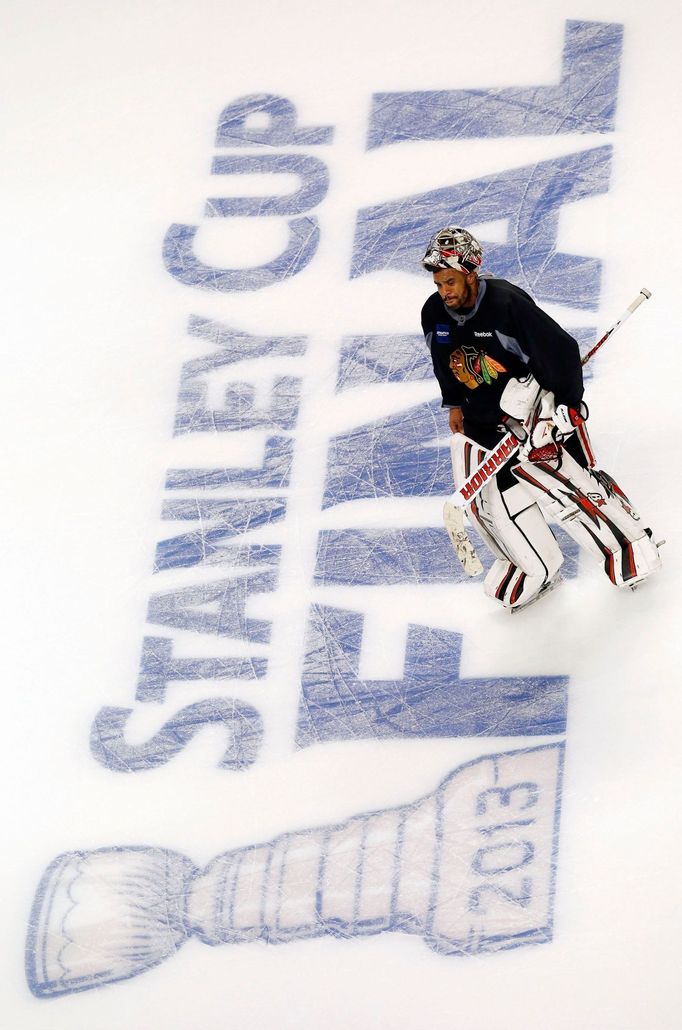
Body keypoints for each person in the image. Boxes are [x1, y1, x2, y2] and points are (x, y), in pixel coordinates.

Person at [420, 225, 662, 611]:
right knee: (489, 503)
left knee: (562, 487)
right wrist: (453, 404)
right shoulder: (434, 313)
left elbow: (562, 352)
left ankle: (628, 544)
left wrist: (567, 404)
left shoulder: (507, 305)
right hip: (481, 423)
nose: (444, 290)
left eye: (450, 280)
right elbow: (442, 362)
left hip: (529, 417)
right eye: (438, 282)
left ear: (469, 272)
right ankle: (532, 568)